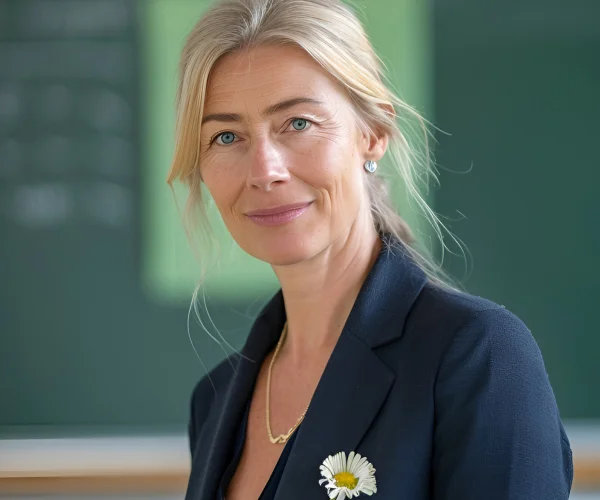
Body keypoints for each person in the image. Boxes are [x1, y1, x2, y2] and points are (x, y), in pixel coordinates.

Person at [166, 0, 573, 498]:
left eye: (298, 123)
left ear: (374, 134)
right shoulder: (214, 401)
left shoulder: (479, 356)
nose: (265, 171)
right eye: (227, 136)